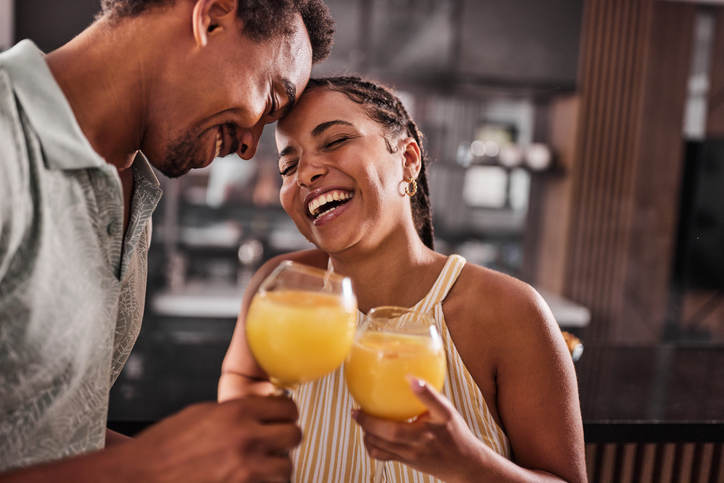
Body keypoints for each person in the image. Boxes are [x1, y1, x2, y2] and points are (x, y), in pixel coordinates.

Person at [0, 0, 334, 480]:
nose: (247, 148)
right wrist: (151, 465)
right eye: (272, 100)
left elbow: (56, 436)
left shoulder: (135, 194)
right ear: (212, 17)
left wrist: (201, 462)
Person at [218, 76, 588, 483]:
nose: (305, 173)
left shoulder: (509, 313)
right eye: (289, 165)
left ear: (408, 159)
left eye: (336, 141)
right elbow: (242, 379)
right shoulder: (280, 286)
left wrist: (470, 465)